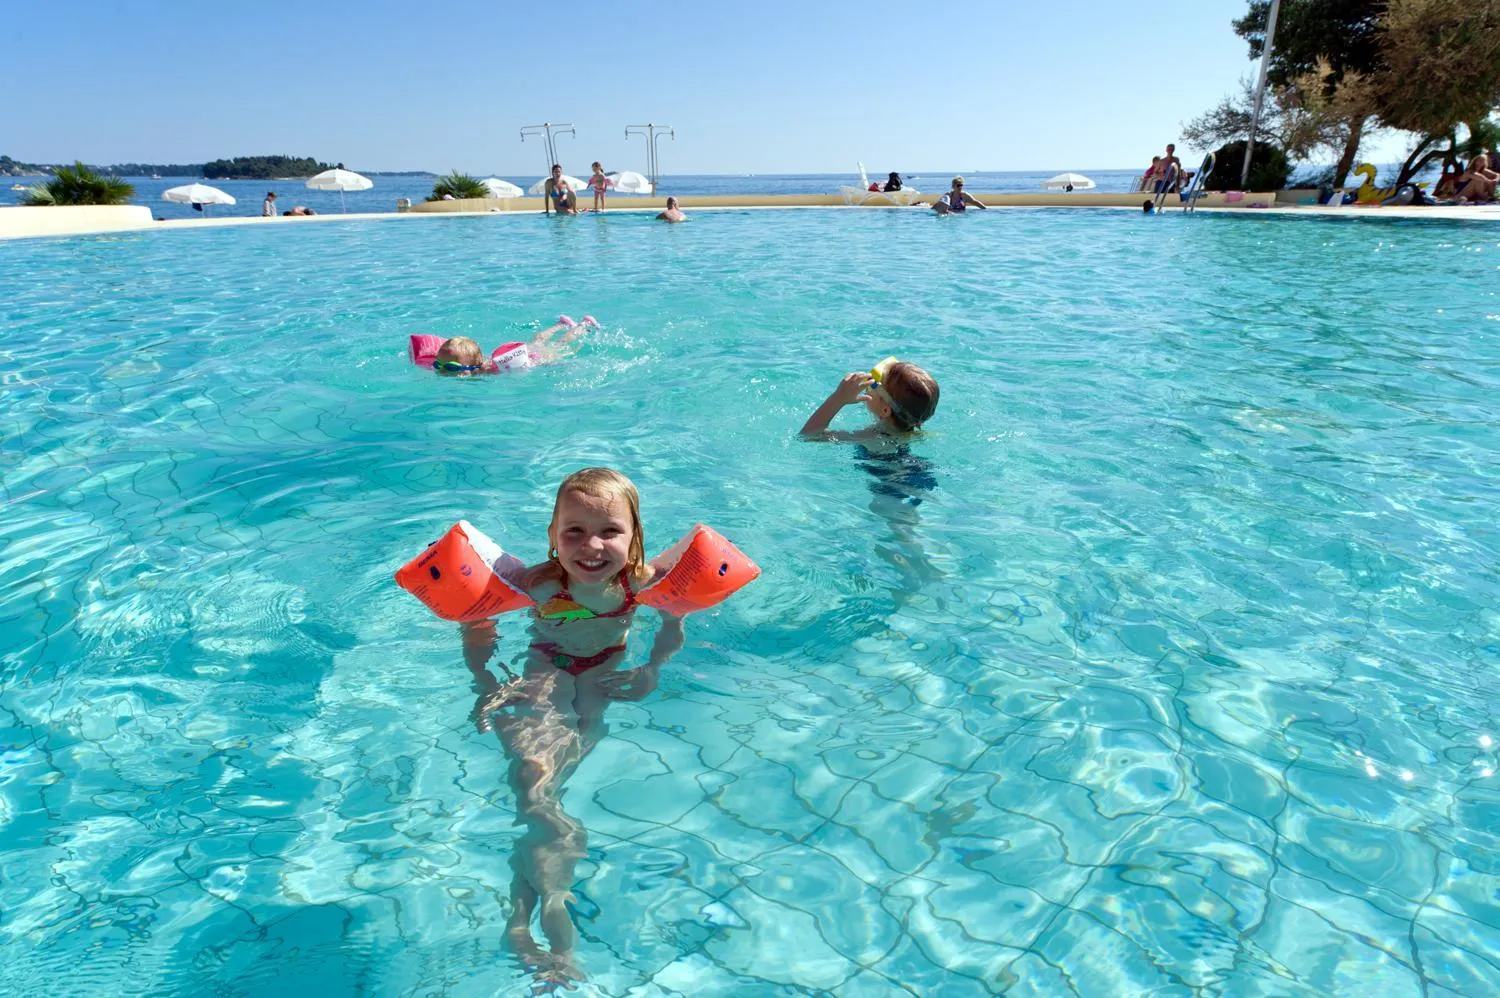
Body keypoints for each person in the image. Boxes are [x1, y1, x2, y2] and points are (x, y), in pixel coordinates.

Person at [465, 468, 686, 985]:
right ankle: (549, 914)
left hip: (604, 674)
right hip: (546, 669)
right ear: (552, 537)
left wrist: (652, 671)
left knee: (544, 791)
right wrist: (488, 682)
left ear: (634, 539)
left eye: (609, 531)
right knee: (536, 780)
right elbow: (479, 624)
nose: (592, 545)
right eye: (574, 531)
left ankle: (522, 916)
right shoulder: (538, 584)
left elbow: (674, 624)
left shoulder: (640, 581)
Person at [800, 361, 941, 438]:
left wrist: (838, 398)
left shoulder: (869, 437)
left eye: (874, 384)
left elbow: (809, 435)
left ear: (885, 410)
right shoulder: (916, 434)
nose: (869, 385)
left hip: (889, 483)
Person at [428, 316, 598, 375]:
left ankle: (583, 325)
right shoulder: (475, 363)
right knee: (537, 340)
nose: (440, 371)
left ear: (471, 366)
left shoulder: (489, 371)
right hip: (520, 352)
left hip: (533, 357)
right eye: (438, 365)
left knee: (560, 345)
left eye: (450, 367)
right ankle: (561, 324)